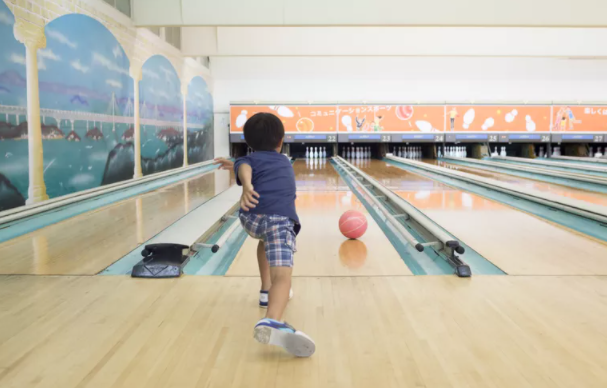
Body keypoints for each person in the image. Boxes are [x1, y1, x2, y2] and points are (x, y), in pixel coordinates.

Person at [213, 113, 315, 358]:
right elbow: (246, 165)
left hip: (251, 220)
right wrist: (246, 181)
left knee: (264, 240)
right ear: (281, 141)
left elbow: (245, 165)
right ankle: (272, 321)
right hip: (279, 221)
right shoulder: (283, 160)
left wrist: (245, 184)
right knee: (284, 278)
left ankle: (264, 290)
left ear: (248, 142)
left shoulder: (248, 160)